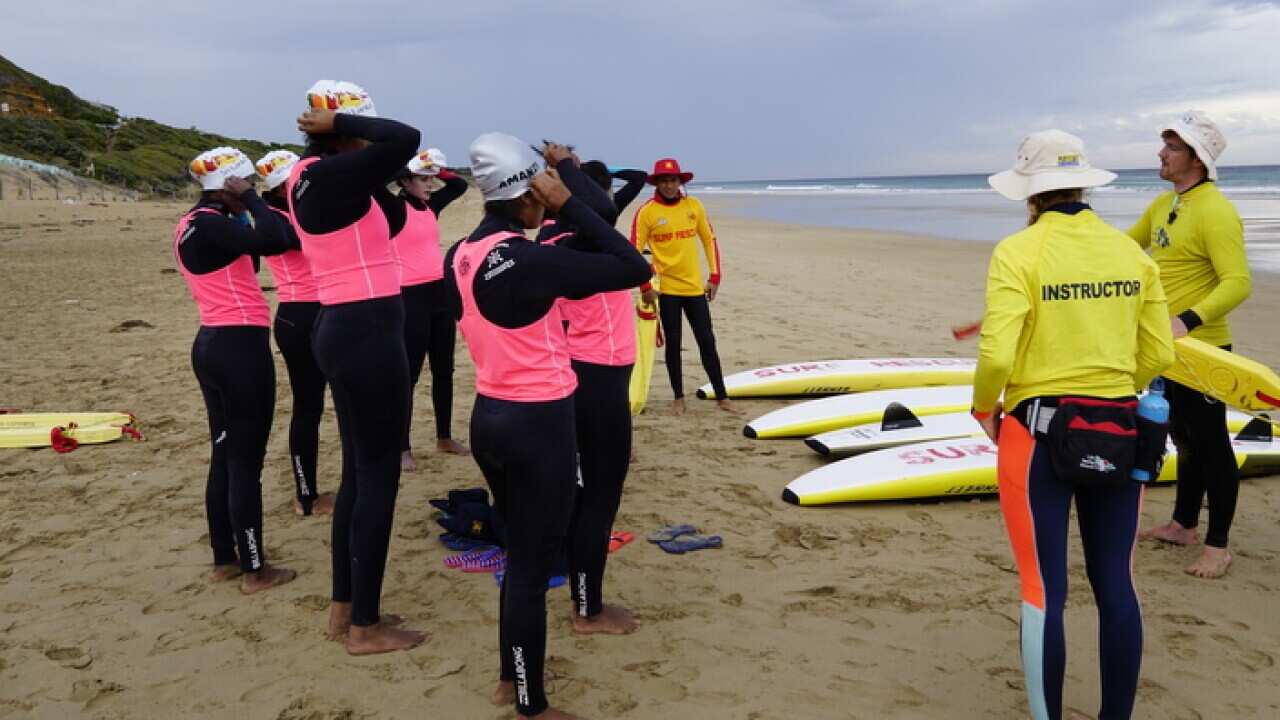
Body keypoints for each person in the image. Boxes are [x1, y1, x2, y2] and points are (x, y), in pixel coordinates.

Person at [444, 133, 650, 719]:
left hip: (490, 415)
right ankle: (531, 705)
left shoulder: (459, 253)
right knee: (531, 570)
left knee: (519, 556)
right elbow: (632, 266)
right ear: (530, 194)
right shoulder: (532, 260)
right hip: (538, 423)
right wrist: (569, 202)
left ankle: (509, 680)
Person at [973, 130, 1174, 720]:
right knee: (1116, 585)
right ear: (1083, 185)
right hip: (1119, 429)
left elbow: (997, 354)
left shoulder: (1018, 252)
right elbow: (1159, 353)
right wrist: (1108, 389)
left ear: (1029, 193)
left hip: (1035, 434)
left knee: (1043, 592)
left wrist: (984, 408)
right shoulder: (1131, 255)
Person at [287, 80, 424, 655]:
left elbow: (393, 212)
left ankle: (345, 608)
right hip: (363, 331)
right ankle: (366, 626)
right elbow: (405, 137)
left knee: (358, 475)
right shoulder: (324, 177)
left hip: (350, 327)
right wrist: (342, 125)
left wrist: (365, 156)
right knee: (378, 479)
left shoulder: (325, 179)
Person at [1127, 111, 1251, 579]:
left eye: (1172, 147)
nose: (1161, 153)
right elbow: (1125, 247)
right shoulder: (1164, 205)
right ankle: (1183, 524)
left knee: (1212, 444)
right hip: (1168, 348)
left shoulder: (1216, 212)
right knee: (1182, 437)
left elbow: (1238, 282)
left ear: (1197, 159)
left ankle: (1218, 546)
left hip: (1205, 351)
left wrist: (1187, 320)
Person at [176, 147, 299, 594]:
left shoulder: (190, 223)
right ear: (229, 184)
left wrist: (243, 202)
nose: (253, 190)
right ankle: (254, 570)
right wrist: (251, 199)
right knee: (246, 461)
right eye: (246, 183)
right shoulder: (214, 224)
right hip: (239, 347)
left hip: (212, 342)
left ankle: (225, 560)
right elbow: (275, 237)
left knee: (225, 454)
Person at [535, 145, 640, 636]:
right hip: (598, 377)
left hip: (573, 371)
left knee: (578, 493)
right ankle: (587, 610)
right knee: (599, 497)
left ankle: (579, 592)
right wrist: (567, 168)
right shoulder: (586, 241)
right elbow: (603, 210)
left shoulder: (548, 237)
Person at [254, 150, 335, 517]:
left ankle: (312, 491)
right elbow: (296, 240)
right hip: (299, 317)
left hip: (322, 311)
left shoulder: (293, 212)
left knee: (327, 403)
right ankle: (306, 495)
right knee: (308, 407)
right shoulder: (274, 219)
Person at [630, 158, 734, 414]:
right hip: (666, 291)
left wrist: (715, 277)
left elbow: (709, 240)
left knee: (707, 341)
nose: (669, 185)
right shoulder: (647, 212)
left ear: (680, 182)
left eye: (673, 180)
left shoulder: (693, 206)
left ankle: (722, 397)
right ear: (657, 183)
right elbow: (633, 252)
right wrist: (645, 286)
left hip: (694, 289)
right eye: (664, 181)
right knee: (673, 343)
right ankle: (678, 397)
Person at [393, 148, 471, 469]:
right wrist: (407, 166)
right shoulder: (394, 209)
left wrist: (434, 169)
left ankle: (444, 437)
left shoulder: (430, 206)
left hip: (440, 294)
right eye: (423, 179)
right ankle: (401, 447)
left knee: (444, 370)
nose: (430, 184)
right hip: (409, 297)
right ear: (405, 181)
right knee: (408, 375)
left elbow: (459, 186)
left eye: (431, 179)